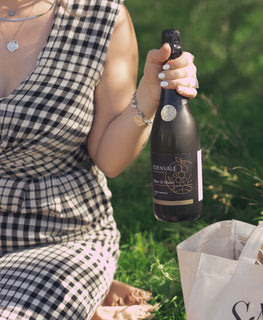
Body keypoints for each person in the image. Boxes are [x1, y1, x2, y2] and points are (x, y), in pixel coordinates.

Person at [0, 0, 198, 319]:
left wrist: (148, 93)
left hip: (57, 235)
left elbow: (110, 159)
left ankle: (74, 288)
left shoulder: (99, 17)